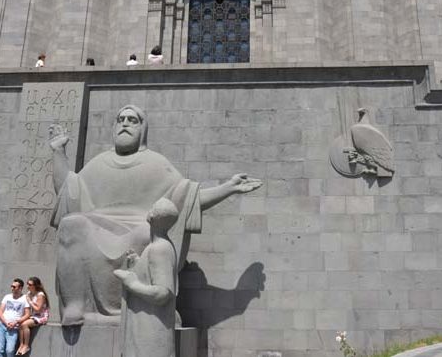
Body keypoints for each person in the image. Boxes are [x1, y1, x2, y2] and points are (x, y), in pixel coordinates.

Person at [49, 105, 262, 326]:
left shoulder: (157, 164)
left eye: (132, 120)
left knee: (147, 234)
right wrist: (58, 152)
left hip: (139, 227)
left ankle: (132, 307)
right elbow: (68, 193)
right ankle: (75, 305)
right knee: (71, 224)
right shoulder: (99, 163)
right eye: (121, 119)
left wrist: (228, 188)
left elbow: (187, 199)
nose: (125, 123)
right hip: (96, 226)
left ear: (143, 129)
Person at [114, 198, 178, 357]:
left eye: (154, 207)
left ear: (154, 216)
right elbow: (152, 273)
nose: (151, 208)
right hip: (145, 333)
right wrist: (138, 262)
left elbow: (162, 293)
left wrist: (132, 284)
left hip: (150, 338)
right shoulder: (158, 246)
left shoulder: (159, 249)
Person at [0, 278, 30, 357]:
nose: (12, 288)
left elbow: (28, 314)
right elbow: (0, 311)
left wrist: (15, 323)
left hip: (14, 328)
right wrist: (6, 322)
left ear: (20, 288)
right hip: (2, 326)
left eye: (14, 287)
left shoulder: (25, 298)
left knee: (10, 350)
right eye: (11, 286)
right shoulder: (7, 297)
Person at [16, 277, 50, 356]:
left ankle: (26, 345)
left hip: (41, 316)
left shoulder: (40, 295)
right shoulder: (29, 293)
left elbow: (38, 309)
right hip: (33, 315)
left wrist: (30, 301)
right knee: (21, 323)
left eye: (30, 284)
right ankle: (21, 345)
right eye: (27, 284)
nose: (28, 286)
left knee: (25, 324)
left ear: (35, 286)